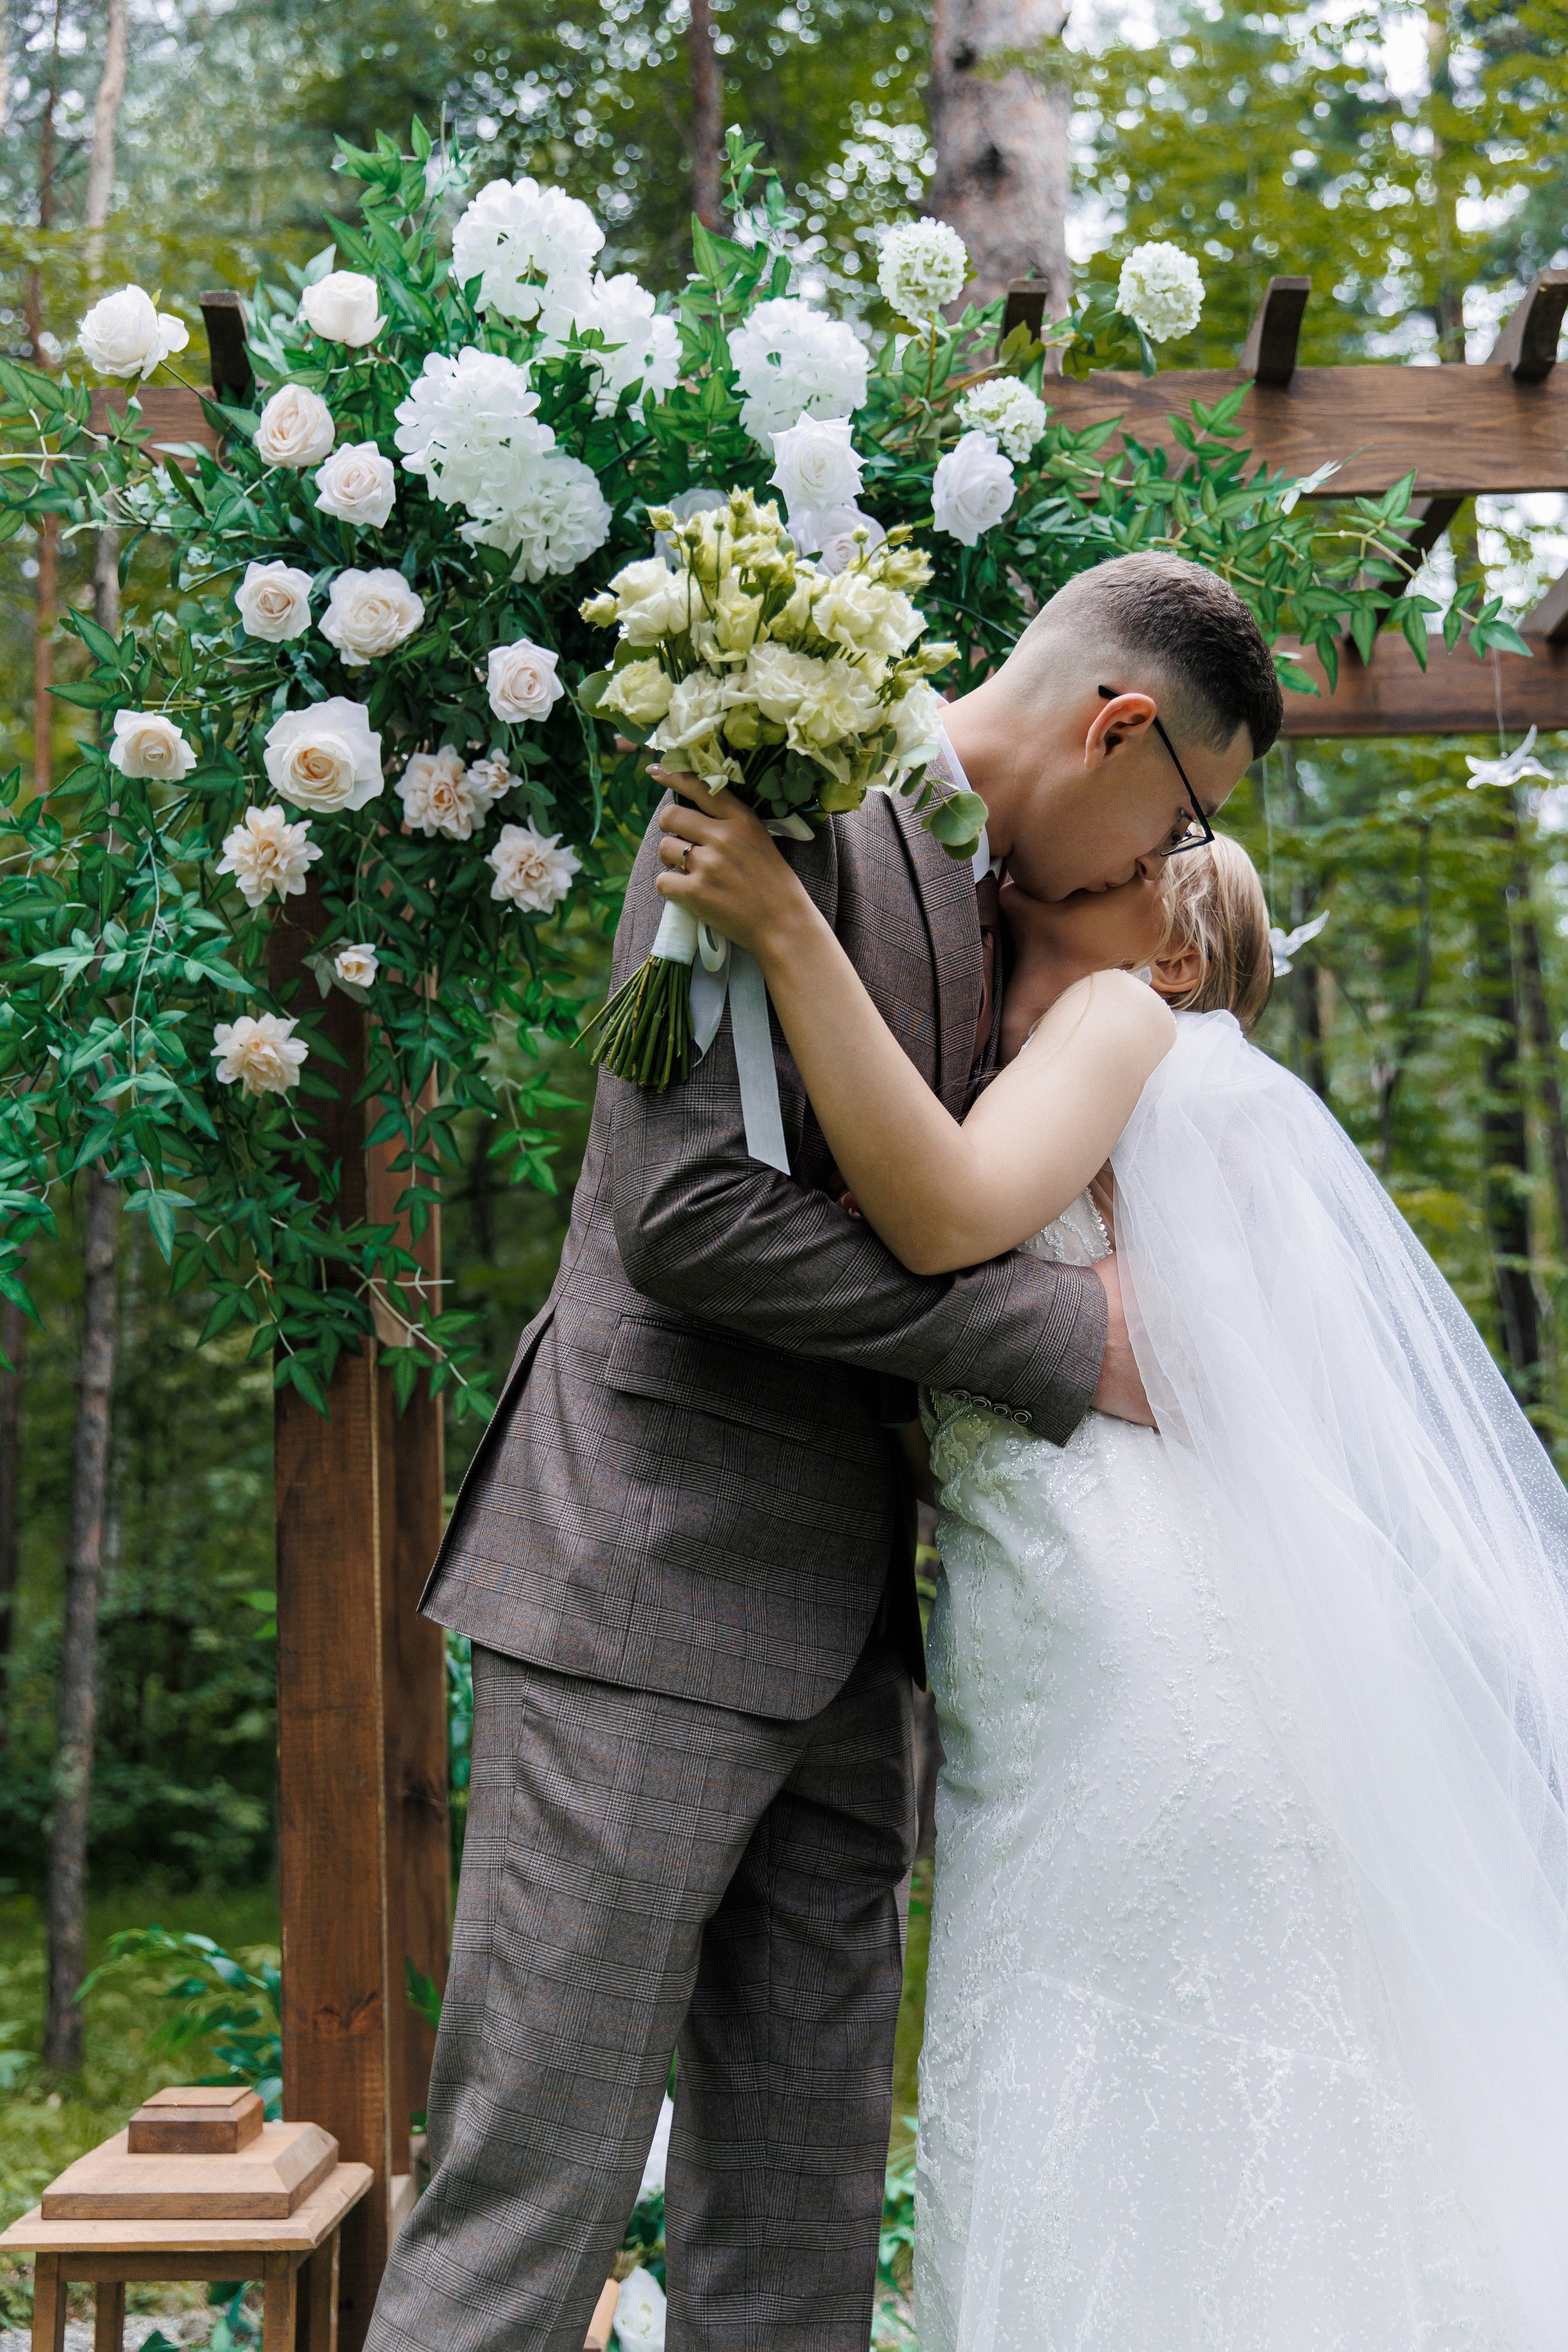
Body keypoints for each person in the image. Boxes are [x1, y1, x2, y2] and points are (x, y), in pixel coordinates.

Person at [364, 551, 1278, 2352]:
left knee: (794, 2253)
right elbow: (688, 1212)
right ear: (1121, 727)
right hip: (648, 1590)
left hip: (859, 1658)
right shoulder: (779, 780)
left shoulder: (1010, 912)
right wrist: (1065, 1343)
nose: (1169, 868)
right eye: (1185, 815)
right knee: (526, 2215)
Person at [654, 768, 1568, 2343]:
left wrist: (785, 932)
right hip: (1071, 1637)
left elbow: (941, 1219)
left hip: (1140, 1652)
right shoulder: (1096, 1070)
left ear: (1172, 952)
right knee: (1152, 2056)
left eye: (1127, 868)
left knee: (1127, 2052)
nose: (1034, 877)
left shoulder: (1120, 1029)